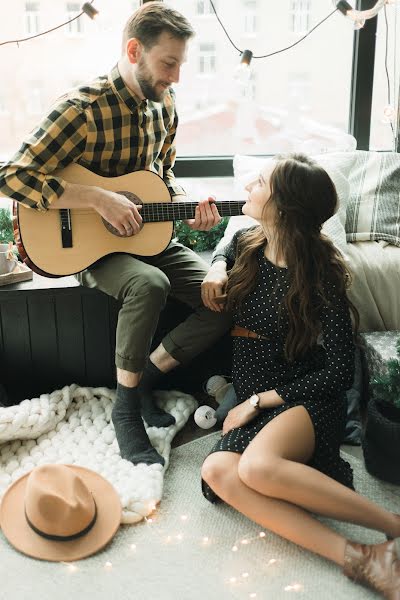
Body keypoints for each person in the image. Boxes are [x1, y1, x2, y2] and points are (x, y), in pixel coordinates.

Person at [0, 2, 231, 466]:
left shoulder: (165, 106)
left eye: (180, 65)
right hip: (88, 248)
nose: (176, 77)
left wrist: (188, 208)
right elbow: (11, 176)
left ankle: (143, 378)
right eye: (169, 63)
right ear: (133, 50)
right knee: (150, 283)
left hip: (150, 238)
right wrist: (96, 198)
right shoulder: (81, 109)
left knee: (224, 296)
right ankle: (125, 411)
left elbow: (165, 177)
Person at [200, 153, 400, 599]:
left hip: (301, 400)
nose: (250, 183)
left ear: (284, 207)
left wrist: (260, 400)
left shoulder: (322, 275)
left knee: (256, 467)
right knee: (217, 471)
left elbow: (338, 372)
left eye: (261, 182)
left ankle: (393, 527)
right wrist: (215, 265)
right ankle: (362, 558)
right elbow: (226, 244)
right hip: (257, 399)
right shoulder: (249, 243)